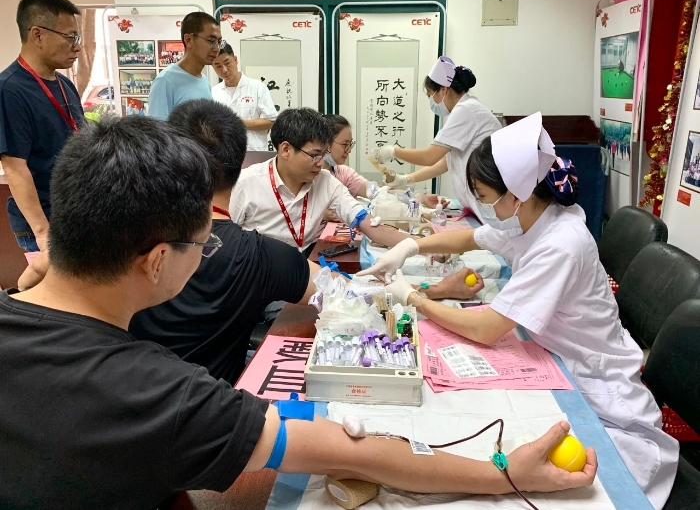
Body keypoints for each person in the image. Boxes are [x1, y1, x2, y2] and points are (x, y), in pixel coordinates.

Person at [0, 114, 597, 508]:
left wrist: (407, 249)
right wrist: (504, 474)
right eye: (203, 242)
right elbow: (349, 450)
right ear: (158, 260)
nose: (211, 247)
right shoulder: (160, 395)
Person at [358, 113, 678, 510]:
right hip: (555, 356)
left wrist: (414, 298)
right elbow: (471, 237)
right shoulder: (533, 216)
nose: (482, 205)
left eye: (484, 196)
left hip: (597, 391)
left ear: (516, 195)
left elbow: (487, 329)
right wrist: (409, 247)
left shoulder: (560, 243)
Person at [129, 100, 328, 384]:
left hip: (130, 395)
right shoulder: (261, 255)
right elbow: (340, 294)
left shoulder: (125, 241)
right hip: (216, 400)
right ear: (240, 160)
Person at [230, 108, 412, 255]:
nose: (320, 163)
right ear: (286, 150)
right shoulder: (245, 184)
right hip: (257, 272)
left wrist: (420, 245)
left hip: (302, 264)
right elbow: (223, 242)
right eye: (315, 155)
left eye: (324, 155)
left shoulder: (326, 182)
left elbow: (368, 223)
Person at [0, 0, 84, 252]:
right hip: (45, 223)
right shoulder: (9, 90)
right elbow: (15, 167)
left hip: (73, 214)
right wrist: (42, 232)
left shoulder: (65, 84)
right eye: (70, 37)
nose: (77, 46)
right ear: (38, 35)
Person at [373, 56, 502, 219]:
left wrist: (393, 151)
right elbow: (445, 163)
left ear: (443, 89)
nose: (432, 101)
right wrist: (405, 179)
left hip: (490, 201)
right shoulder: (467, 109)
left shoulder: (465, 110)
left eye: (430, 95)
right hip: (482, 203)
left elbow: (429, 156)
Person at [148, 12, 223, 119]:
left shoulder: (204, 81)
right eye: (211, 41)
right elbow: (156, 128)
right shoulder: (165, 81)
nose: (217, 48)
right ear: (188, 40)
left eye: (219, 42)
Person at [212, 44, 278, 151]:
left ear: (235, 59)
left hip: (254, 151)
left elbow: (271, 121)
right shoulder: (213, 92)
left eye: (227, 63)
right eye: (218, 66)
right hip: (225, 153)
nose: (224, 70)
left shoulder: (257, 87)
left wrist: (237, 123)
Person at [321, 114, 375, 200]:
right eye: (345, 144)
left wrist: (391, 180)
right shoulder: (307, 175)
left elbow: (374, 191)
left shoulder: (344, 173)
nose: (349, 150)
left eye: (350, 144)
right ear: (326, 142)